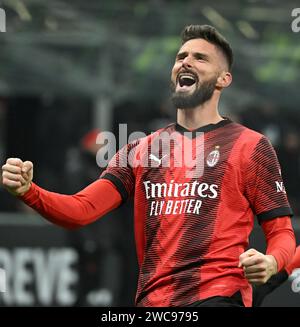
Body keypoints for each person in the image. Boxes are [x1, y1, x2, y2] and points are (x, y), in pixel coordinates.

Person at [1, 25, 296, 307]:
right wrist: (29, 191)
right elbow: (81, 210)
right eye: (181, 57)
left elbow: (281, 232)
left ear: (223, 79)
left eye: (200, 57)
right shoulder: (140, 149)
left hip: (218, 297)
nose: (186, 62)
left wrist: (272, 261)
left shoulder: (250, 146)